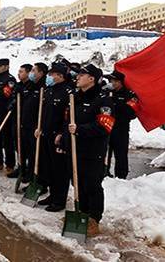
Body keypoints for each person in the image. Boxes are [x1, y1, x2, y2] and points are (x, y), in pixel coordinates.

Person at [67, 64, 115, 235]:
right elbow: (69, 121)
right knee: (78, 182)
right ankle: (82, 214)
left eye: (82, 74)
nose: (78, 77)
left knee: (92, 184)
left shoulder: (103, 100)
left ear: (92, 79)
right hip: (76, 148)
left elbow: (105, 126)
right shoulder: (75, 97)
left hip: (93, 150)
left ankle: (94, 219)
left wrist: (80, 129)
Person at [36, 62, 72, 212]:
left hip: (58, 137)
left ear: (60, 76)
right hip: (46, 133)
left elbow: (68, 117)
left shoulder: (68, 92)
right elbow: (44, 113)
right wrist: (40, 127)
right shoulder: (49, 91)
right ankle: (52, 194)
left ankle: (59, 199)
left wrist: (62, 133)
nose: (49, 77)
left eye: (52, 74)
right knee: (49, 167)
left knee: (60, 170)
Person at [104, 70, 138, 179]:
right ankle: (104, 173)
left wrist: (116, 106)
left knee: (121, 155)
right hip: (107, 129)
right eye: (111, 81)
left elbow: (132, 113)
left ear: (120, 82)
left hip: (121, 130)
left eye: (114, 81)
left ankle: (121, 178)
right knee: (104, 154)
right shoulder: (106, 93)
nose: (112, 83)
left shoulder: (129, 95)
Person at [20, 62, 47, 183]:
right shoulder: (30, 85)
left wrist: (39, 126)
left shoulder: (44, 87)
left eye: (33, 71)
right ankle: (29, 173)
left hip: (36, 127)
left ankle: (37, 179)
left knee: (36, 154)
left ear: (41, 73)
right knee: (28, 152)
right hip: (26, 124)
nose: (31, 73)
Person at [7, 64, 34, 179]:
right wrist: (11, 104)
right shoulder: (18, 86)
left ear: (28, 73)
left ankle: (29, 170)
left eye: (21, 71)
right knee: (18, 146)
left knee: (28, 148)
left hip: (26, 122)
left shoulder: (31, 86)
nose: (19, 73)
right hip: (16, 120)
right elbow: (11, 98)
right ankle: (21, 167)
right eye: (18, 71)